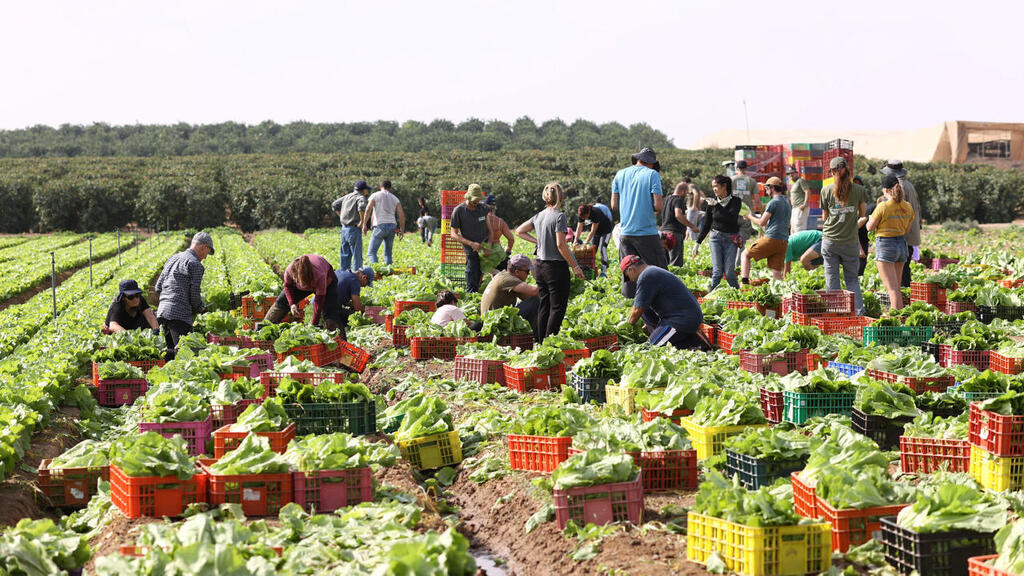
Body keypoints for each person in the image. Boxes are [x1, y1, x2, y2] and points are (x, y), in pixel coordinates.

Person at [515, 182, 585, 341]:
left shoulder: (539, 215)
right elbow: (561, 245)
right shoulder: (559, 216)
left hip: (539, 266)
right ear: (562, 197)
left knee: (544, 305)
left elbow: (519, 231)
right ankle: (550, 341)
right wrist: (575, 266)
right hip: (555, 268)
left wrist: (537, 241)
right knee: (557, 308)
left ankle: (540, 341)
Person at [611, 147, 666, 297]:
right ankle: (657, 307)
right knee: (658, 271)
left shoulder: (620, 174)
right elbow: (659, 205)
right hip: (646, 232)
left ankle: (632, 307)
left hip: (625, 232)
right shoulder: (652, 174)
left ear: (637, 159)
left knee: (630, 272)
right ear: (652, 163)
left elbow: (614, 205)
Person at [620, 255, 707, 349]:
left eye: (628, 277)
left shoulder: (646, 276)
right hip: (687, 317)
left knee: (649, 350)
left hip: (680, 320)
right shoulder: (652, 271)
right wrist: (648, 327)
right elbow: (643, 307)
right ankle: (692, 342)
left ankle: (691, 340)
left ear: (631, 270)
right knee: (645, 310)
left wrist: (626, 330)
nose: (631, 281)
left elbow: (637, 310)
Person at [820, 157, 869, 315]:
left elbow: (825, 217)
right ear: (847, 170)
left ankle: (835, 313)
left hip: (830, 242)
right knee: (852, 279)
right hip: (850, 242)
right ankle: (859, 313)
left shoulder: (825, 190)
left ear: (833, 172)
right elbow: (862, 214)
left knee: (832, 278)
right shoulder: (859, 190)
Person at [155, 231, 213, 359]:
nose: (205, 257)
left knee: (170, 352)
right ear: (204, 247)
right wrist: (201, 308)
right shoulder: (195, 265)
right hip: (179, 314)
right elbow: (194, 294)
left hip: (163, 312)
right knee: (184, 355)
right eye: (207, 253)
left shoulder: (173, 258)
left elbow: (158, 287)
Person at [868, 174, 915, 310]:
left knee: (892, 289)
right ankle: (899, 317)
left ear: (886, 190)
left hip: (886, 245)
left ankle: (895, 321)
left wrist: (870, 219)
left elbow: (870, 227)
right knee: (896, 288)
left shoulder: (883, 206)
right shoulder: (908, 207)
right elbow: (907, 229)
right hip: (901, 245)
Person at [265, 254, 344, 332]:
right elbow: (287, 287)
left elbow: (319, 302)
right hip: (305, 283)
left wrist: (314, 325)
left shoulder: (319, 275)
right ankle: (264, 329)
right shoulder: (289, 271)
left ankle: (340, 340)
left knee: (331, 315)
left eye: (305, 284)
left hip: (328, 283)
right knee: (281, 303)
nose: (304, 287)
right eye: (300, 283)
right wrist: (292, 304)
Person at [693, 175, 742, 290]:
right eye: (713, 187)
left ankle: (738, 295)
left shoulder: (736, 201)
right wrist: (698, 242)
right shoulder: (712, 204)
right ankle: (711, 296)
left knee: (729, 272)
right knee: (717, 272)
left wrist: (717, 206)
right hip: (715, 238)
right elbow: (706, 224)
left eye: (716, 186)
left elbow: (731, 218)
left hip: (731, 239)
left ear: (724, 186)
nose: (714, 189)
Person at [880, 160, 922, 288]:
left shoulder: (900, 187)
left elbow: (898, 210)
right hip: (910, 231)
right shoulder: (909, 184)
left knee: (901, 270)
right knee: (904, 268)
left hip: (903, 234)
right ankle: (904, 295)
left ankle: (902, 296)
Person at [741, 176, 791, 282]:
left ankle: (744, 283)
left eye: (767, 188)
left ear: (772, 188)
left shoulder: (773, 202)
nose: (766, 191)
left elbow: (761, 222)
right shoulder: (787, 203)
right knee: (777, 272)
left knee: (745, 254)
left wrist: (749, 216)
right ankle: (781, 293)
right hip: (784, 241)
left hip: (772, 239)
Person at [481, 254, 541, 335]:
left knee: (534, 301)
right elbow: (534, 291)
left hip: (492, 320)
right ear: (517, 272)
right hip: (497, 323)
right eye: (527, 272)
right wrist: (543, 278)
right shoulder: (509, 280)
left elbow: (526, 297)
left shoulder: (503, 275)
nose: (528, 274)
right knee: (535, 301)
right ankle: (535, 335)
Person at [450, 184, 494, 293]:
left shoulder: (483, 208)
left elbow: (490, 230)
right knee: (472, 273)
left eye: (478, 200)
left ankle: (479, 296)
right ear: (468, 197)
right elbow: (453, 234)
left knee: (483, 275)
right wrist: (471, 243)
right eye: (475, 200)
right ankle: (471, 297)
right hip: (471, 250)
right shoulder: (459, 211)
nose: (477, 202)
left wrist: (488, 245)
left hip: (484, 249)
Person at [362, 180, 405, 266]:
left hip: (380, 225)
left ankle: (376, 272)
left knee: (372, 252)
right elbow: (401, 215)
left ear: (380, 186)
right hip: (392, 226)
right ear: (390, 188)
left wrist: (364, 224)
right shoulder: (395, 198)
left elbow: (368, 209)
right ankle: (388, 273)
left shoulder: (375, 195)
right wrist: (402, 229)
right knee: (388, 254)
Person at [331, 180, 370, 271]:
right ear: (363, 190)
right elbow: (361, 208)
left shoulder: (347, 196)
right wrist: (362, 222)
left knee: (345, 254)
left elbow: (334, 205)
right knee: (357, 255)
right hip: (354, 229)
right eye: (366, 190)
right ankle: (357, 277)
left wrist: (341, 216)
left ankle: (344, 275)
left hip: (344, 229)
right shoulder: (361, 197)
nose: (367, 192)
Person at [660, 182, 700, 266]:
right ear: (683, 191)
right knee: (675, 263)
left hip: (663, 233)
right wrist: (692, 226)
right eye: (686, 193)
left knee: (665, 262)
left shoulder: (666, 199)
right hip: (674, 233)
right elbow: (678, 214)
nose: (686, 195)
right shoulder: (678, 200)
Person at [574, 204, 614, 276]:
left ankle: (603, 272)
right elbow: (579, 228)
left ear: (588, 212)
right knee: (591, 251)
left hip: (605, 231)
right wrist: (575, 240)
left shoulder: (596, 213)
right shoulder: (581, 214)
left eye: (585, 217)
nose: (584, 218)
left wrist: (586, 242)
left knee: (602, 249)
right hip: (596, 233)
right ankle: (589, 272)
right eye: (582, 217)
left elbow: (593, 231)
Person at [484, 195, 515, 271]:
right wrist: (508, 250)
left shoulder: (480, 219)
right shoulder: (500, 222)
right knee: (501, 276)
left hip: (482, 251)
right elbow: (511, 239)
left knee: (478, 277)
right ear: (495, 206)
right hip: (497, 252)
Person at [853, 176, 874, 276]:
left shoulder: (863, 202)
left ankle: (858, 282)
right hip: (851, 236)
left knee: (861, 263)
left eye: (859, 185)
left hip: (862, 236)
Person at [788, 165, 812, 233]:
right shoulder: (794, 183)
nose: (790, 175)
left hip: (800, 207)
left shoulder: (800, 181)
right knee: (793, 229)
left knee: (799, 229)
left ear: (796, 173)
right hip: (795, 208)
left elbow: (807, 191)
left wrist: (805, 204)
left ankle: (801, 243)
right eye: (789, 173)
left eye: (792, 173)